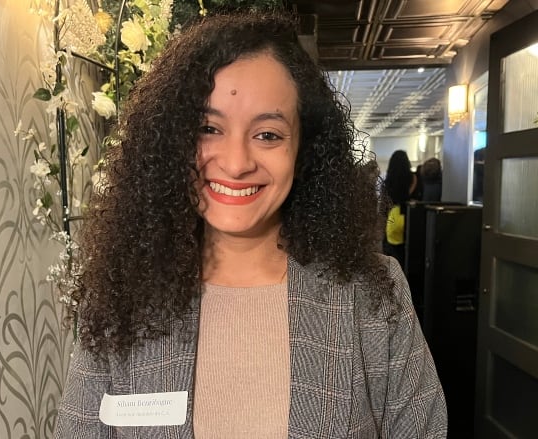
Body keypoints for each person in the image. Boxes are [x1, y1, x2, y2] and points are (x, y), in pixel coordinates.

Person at [55, 11, 447, 439]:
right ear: (170, 141)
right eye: (209, 128)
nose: (237, 163)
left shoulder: (370, 293)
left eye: (268, 135)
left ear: (303, 150)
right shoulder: (122, 297)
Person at [379, 149, 418, 268]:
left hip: (391, 219)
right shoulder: (413, 179)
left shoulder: (387, 181)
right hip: (408, 219)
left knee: (390, 255)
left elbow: (383, 205)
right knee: (406, 254)